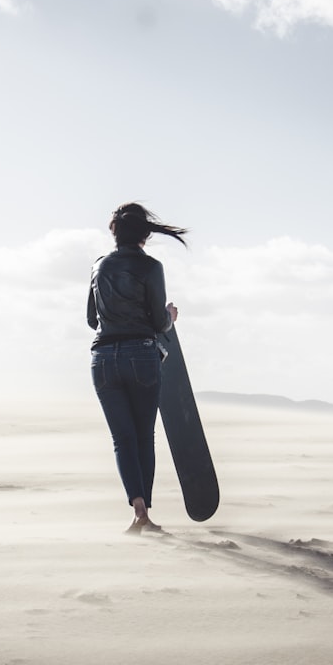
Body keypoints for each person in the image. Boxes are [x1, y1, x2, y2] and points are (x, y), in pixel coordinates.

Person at [87, 202, 188, 534]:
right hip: (142, 356)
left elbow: (92, 320)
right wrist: (169, 317)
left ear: (114, 233)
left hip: (102, 359)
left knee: (122, 439)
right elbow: (159, 321)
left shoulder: (98, 267)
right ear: (145, 235)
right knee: (144, 436)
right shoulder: (151, 267)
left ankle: (138, 510)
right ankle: (143, 515)